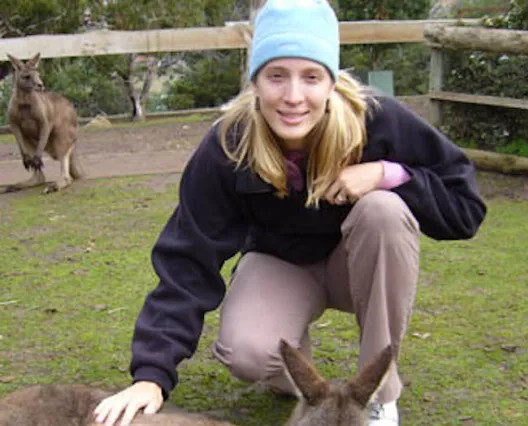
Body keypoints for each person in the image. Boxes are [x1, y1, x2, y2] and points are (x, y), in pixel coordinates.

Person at [94, 1, 487, 425]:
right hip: (282, 264)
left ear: (331, 84)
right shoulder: (229, 144)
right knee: (245, 352)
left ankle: (378, 396)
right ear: (256, 82)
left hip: (357, 264)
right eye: (276, 76)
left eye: (311, 77)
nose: (294, 97)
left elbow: (465, 210)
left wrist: (386, 173)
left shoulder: (376, 120)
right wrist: (151, 376)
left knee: (383, 211)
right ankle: (301, 380)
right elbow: (188, 257)